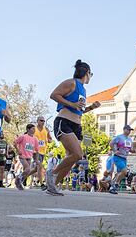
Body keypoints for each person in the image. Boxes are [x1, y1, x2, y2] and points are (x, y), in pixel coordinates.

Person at [46, 60, 101, 195]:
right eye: (91, 74)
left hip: (77, 125)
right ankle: (52, 173)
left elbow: (79, 109)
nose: (90, 77)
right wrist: (71, 104)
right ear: (87, 73)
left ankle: (53, 185)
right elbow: (54, 95)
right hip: (64, 122)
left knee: (72, 158)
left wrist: (91, 107)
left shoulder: (83, 90)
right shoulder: (72, 83)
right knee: (78, 154)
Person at [14, 124, 40, 191]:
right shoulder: (23, 137)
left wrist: (37, 160)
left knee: (27, 172)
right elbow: (15, 142)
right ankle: (18, 178)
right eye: (32, 129)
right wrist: (18, 150)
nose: (34, 130)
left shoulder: (35, 139)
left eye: (34, 129)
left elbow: (37, 150)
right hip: (22, 156)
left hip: (29, 157)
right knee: (28, 169)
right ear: (28, 129)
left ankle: (19, 183)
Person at [109, 125, 134, 194]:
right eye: (128, 130)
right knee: (124, 172)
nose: (129, 131)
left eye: (130, 130)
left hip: (124, 158)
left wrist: (133, 150)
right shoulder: (119, 137)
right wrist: (114, 150)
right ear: (124, 129)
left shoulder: (130, 139)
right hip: (117, 157)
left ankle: (112, 187)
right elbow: (111, 143)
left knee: (120, 174)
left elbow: (130, 149)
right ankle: (116, 184)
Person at [34, 116, 52, 188]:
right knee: (40, 166)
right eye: (41, 120)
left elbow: (50, 139)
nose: (43, 122)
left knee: (36, 169)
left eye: (44, 121)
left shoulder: (46, 129)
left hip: (43, 151)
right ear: (37, 121)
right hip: (35, 151)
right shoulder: (34, 129)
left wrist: (49, 140)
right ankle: (42, 184)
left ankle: (22, 177)